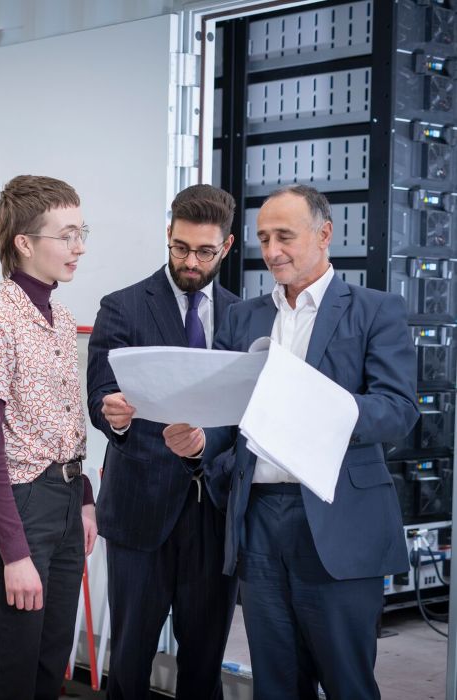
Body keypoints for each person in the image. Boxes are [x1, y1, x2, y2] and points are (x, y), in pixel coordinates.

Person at [165, 184, 419, 700]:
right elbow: (230, 417)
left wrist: (314, 403)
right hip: (259, 520)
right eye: (263, 238)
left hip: (336, 520)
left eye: (285, 236)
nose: (273, 250)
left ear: (324, 234)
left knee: (347, 682)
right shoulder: (244, 316)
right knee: (276, 683)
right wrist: (200, 444)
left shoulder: (375, 310)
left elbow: (398, 411)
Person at [87, 184, 240, 700]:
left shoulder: (244, 317)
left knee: (204, 667)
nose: (190, 261)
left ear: (227, 246)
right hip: (139, 513)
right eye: (179, 247)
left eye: (204, 251)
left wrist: (208, 441)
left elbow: (249, 415)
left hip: (214, 514)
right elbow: (100, 399)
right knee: (130, 663)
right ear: (168, 236)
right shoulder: (123, 307)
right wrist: (119, 418)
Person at [0, 175, 98, 700]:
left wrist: (82, 497)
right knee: (6, 673)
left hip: (62, 504)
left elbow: (63, 421)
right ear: (25, 242)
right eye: (66, 235)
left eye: (81, 232)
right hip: (17, 507)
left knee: (48, 665)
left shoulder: (60, 318)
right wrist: (14, 553)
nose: (78, 246)